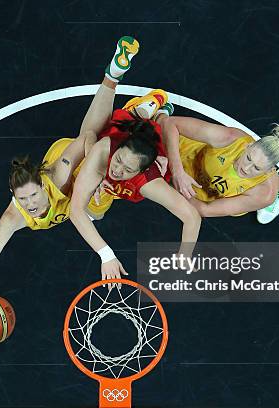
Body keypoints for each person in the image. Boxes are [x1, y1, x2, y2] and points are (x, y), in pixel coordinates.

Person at [0, 37, 140, 313]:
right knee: (95, 210)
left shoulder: (58, 176)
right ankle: (118, 88)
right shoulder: (15, 217)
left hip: (70, 163)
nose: (30, 204)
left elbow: (87, 138)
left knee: (104, 171)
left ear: (41, 186)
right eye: (23, 199)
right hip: (66, 175)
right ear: (14, 196)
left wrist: (98, 178)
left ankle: (128, 111)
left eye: (33, 195)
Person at [69, 39, 202, 286]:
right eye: (119, 161)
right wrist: (106, 255)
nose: (116, 169)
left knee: (145, 133)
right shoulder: (105, 151)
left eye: (127, 169)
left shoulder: (148, 181)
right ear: (117, 149)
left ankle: (153, 113)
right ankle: (115, 76)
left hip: (147, 145)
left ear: (142, 172)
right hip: (120, 133)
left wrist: (184, 258)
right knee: (89, 132)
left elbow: (192, 217)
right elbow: (75, 211)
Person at [160, 116, 279, 221]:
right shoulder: (230, 138)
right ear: (247, 146)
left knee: (270, 195)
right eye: (249, 158)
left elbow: (204, 209)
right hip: (187, 159)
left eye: (256, 168)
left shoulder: (262, 193)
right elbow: (171, 124)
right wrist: (177, 171)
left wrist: (171, 186)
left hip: (205, 193)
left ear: (269, 170)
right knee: (159, 123)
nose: (246, 168)